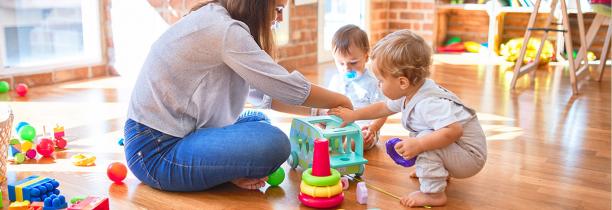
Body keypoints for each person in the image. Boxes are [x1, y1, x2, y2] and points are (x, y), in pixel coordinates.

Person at [124, 0, 353, 192]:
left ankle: (224, 168)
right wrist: (340, 101)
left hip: (160, 136)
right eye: (278, 9)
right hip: (156, 152)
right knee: (275, 143)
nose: (280, 19)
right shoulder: (224, 31)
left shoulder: (217, 20)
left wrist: (320, 112)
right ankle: (225, 169)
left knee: (257, 120)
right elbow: (281, 85)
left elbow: (264, 94)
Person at [329, 30, 487, 207]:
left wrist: (420, 146)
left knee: (422, 139)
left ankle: (433, 194)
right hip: (459, 150)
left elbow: (454, 131)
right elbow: (383, 107)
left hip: (469, 157)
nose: (378, 85)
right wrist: (354, 115)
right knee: (422, 135)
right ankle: (436, 170)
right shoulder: (412, 91)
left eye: (381, 81)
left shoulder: (428, 103)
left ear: (402, 82)